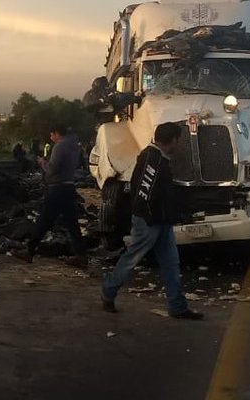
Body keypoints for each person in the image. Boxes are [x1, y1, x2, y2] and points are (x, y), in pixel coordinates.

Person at [100, 122, 203, 319]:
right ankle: (108, 290)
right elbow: (144, 192)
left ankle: (177, 306)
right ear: (172, 140)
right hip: (150, 222)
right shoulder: (153, 160)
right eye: (177, 140)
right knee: (133, 258)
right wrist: (149, 217)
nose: (178, 144)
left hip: (160, 221)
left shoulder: (155, 157)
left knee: (171, 263)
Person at [12, 124, 88, 267]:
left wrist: (42, 163)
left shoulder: (59, 147)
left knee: (44, 219)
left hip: (57, 188)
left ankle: (29, 250)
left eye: (52, 135)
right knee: (72, 223)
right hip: (68, 186)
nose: (51, 138)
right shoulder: (74, 146)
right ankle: (81, 255)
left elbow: (52, 169)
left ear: (57, 133)